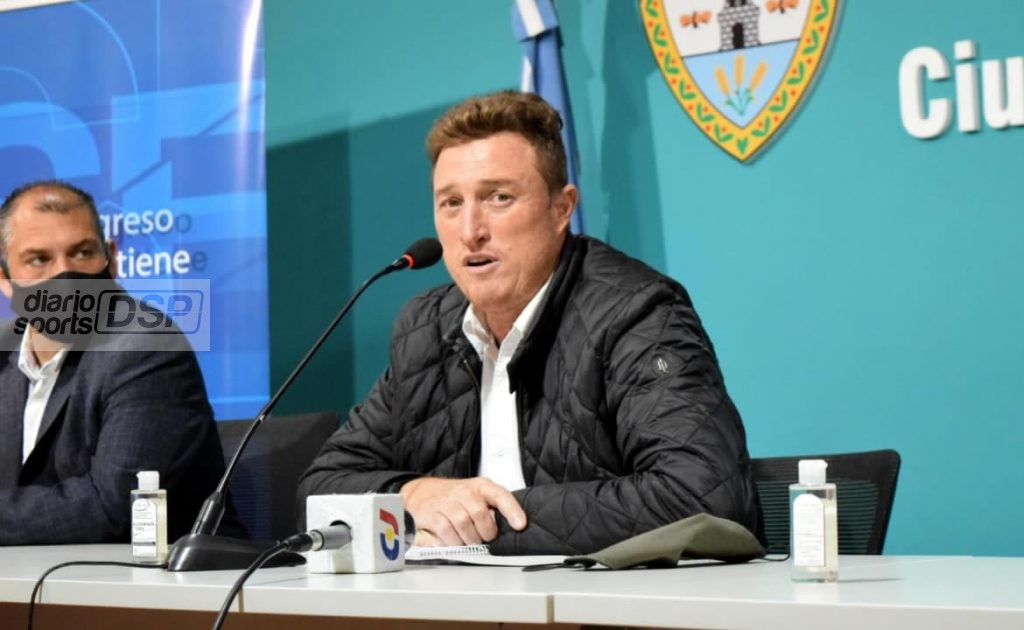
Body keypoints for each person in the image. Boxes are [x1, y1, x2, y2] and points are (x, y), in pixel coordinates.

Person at [298, 91, 761, 555]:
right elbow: (317, 493)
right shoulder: (425, 330)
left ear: (562, 209)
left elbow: (705, 498)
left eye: (498, 197)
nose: (470, 231)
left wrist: (484, 519)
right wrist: (414, 495)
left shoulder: (636, 314)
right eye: (451, 203)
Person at [0, 180, 234, 544]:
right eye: (39, 260)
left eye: (82, 253)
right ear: (4, 277)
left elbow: (114, 507)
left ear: (112, 259)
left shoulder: (146, 345)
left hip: (160, 574)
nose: (64, 274)